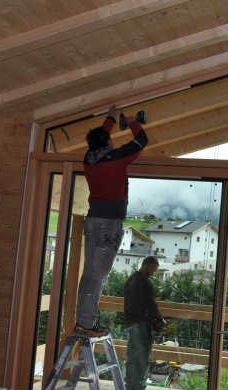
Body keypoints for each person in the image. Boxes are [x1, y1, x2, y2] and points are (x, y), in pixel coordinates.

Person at [74, 104, 149, 337]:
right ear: (106, 143)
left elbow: (101, 138)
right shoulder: (114, 158)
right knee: (96, 276)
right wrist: (131, 121)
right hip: (107, 225)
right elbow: (142, 139)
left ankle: (85, 322)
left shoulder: (89, 158)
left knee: (91, 274)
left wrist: (110, 118)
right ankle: (85, 324)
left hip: (96, 220)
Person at [124, 256, 165, 390]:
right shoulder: (144, 282)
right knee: (142, 359)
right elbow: (151, 305)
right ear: (148, 266)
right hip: (141, 324)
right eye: (153, 269)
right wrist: (160, 320)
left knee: (132, 357)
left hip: (131, 323)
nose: (153, 272)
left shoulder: (131, 280)